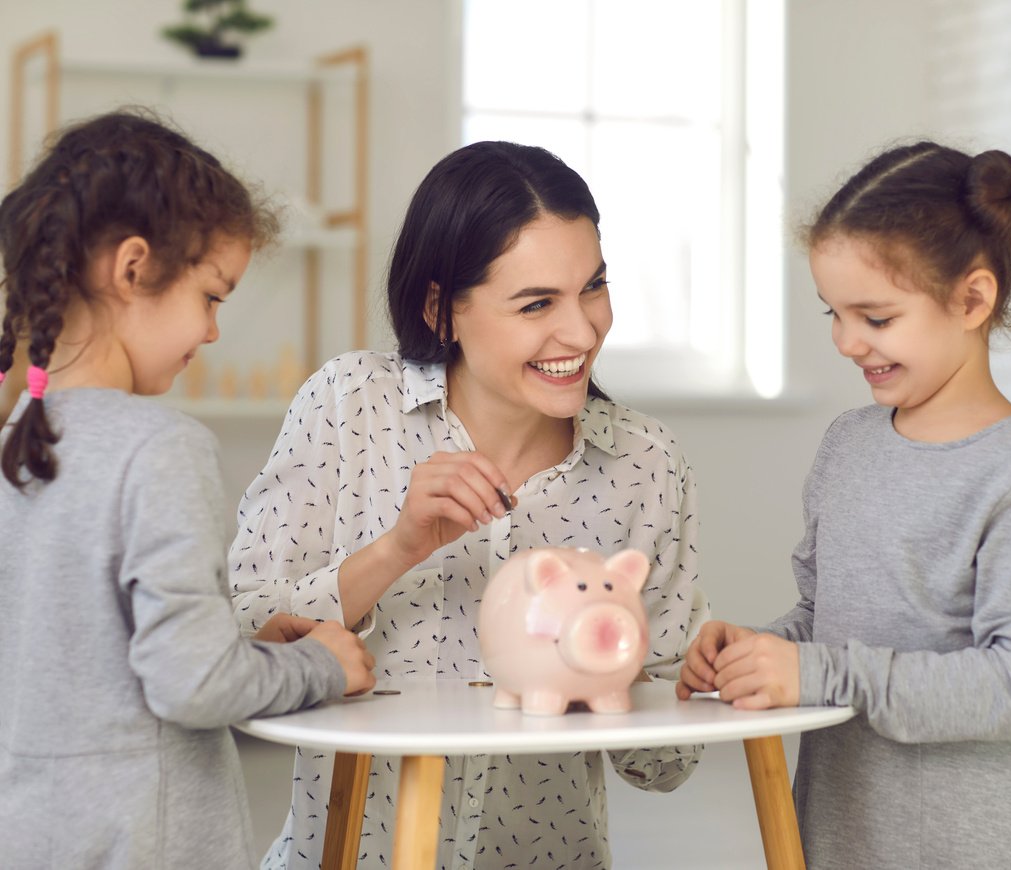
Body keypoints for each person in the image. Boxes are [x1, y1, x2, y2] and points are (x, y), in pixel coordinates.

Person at [229, 140, 708, 870]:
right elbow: (242, 647)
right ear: (439, 308)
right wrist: (396, 550)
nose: (581, 332)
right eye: (536, 303)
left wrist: (612, 661)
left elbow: (668, 764)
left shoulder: (644, 462)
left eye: (594, 287)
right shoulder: (348, 405)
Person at [677, 142, 1011, 869]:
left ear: (971, 299)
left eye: (875, 318)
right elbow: (830, 618)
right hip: (846, 831)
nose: (847, 342)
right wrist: (756, 651)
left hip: (977, 846)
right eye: (834, 313)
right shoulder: (849, 445)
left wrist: (815, 674)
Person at [0, 110, 377, 870]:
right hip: (148, 843)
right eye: (211, 296)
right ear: (133, 268)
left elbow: (92, 663)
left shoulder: (15, 445)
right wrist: (321, 668)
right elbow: (193, 686)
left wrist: (242, 652)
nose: (211, 332)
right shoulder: (160, 449)